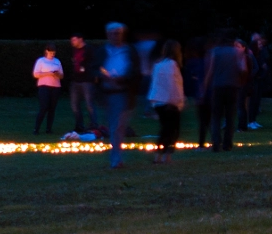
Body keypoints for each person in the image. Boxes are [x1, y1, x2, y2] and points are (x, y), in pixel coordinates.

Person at [96, 21, 139, 169]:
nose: (115, 36)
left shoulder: (129, 51)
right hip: (107, 93)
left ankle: (116, 159)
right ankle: (116, 157)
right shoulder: (103, 51)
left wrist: (122, 79)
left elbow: (135, 72)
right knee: (114, 126)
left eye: (118, 33)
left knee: (118, 126)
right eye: (112, 33)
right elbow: (94, 68)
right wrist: (102, 77)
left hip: (123, 93)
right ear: (108, 35)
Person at [203, 32, 243, 151]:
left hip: (218, 86)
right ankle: (227, 144)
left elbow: (209, 70)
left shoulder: (214, 51)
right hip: (232, 86)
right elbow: (241, 68)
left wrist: (205, 86)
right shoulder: (236, 52)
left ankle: (216, 142)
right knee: (230, 117)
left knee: (216, 116)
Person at [148, 40, 185, 162]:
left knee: (165, 129)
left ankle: (159, 155)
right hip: (169, 102)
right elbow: (173, 85)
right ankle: (166, 155)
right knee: (172, 130)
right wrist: (178, 101)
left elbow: (156, 83)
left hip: (159, 101)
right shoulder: (171, 65)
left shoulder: (158, 64)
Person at [66, 34, 95, 135]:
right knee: (74, 105)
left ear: (80, 39)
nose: (72, 42)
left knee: (89, 104)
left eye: (74, 40)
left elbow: (93, 64)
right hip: (75, 81)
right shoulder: (73, 51)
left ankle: (93, 125)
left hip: (86, 81)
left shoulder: (89, 49)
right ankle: (79, 125)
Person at [32, 46, 63, 134]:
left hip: (56, 86)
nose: (52, 55)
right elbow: (36, 74)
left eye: (54, 53)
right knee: (44, 107)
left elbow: (62, 75)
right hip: (44, 86)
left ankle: (48, 129)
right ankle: (36, 128)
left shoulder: (57, 61)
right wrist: (48, 73)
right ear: (46, 51)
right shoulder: (41, 61)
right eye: (50, 53)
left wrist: (57, 75)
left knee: (52, 108)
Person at [244, 32, 268, 130]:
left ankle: (253, 120)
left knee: (256, 101)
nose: (261, 45)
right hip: (253, 81)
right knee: (252, 101)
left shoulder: (260, 54)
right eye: (259, 43)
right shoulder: (251, 54)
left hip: (258, 80)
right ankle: (250, 121)